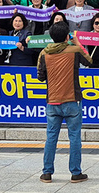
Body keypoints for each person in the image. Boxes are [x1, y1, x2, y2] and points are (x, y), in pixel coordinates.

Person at [36, 22, 91, 183]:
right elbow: (89, 60)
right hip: (72, 100)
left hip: (52, 101)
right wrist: (78, 43)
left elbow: (40, 77)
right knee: (74, 137)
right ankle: (75, 172)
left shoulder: (44, 53)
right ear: (67, 36)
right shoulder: (74, 50)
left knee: (51, 137)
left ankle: (47, 172)